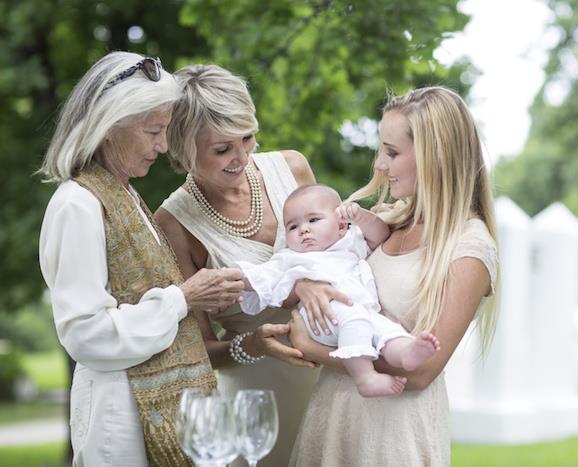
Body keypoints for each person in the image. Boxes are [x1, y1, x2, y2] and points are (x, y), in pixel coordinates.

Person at [38, 52, 244, 467]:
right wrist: (182, 300)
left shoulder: (125, 195)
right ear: (109, 127)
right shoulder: (77, 204)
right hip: (120, 423)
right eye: (154, 131)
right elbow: (86, 335)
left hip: (151, 412)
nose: (163, 146)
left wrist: (199, 299)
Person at [288, 86, 499, 466]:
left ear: (435, 156)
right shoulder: (387, 220)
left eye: (393, 152)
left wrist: (313, 347)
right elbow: (320, 263)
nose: (380, 166)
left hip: (391, 437)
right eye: (381, 150)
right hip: (332, 417)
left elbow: (419, 373)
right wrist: (306, 285)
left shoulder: (470, 248)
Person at [153, 64, 344, 466]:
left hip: (336, 370)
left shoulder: (292, 168)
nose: (241, 157)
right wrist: (252, 345)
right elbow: (199, 350)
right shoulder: (173, 224)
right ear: (184, 149)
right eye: (222, 149)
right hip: (258, 397)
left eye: (248, 138)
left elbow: (343, 252)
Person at [235, 184, 441, 397]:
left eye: (313, 220)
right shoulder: (289, 257)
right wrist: (228, 278)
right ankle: (365, 378)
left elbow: (380, 234)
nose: (303, 229)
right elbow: (258, 278)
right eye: (293, 227)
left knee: (385, 329)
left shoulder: (349, 243)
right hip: (324, 317)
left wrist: (360, 216)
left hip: (363, 312)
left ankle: (406, 352)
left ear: (341, 226)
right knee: (355, 318)